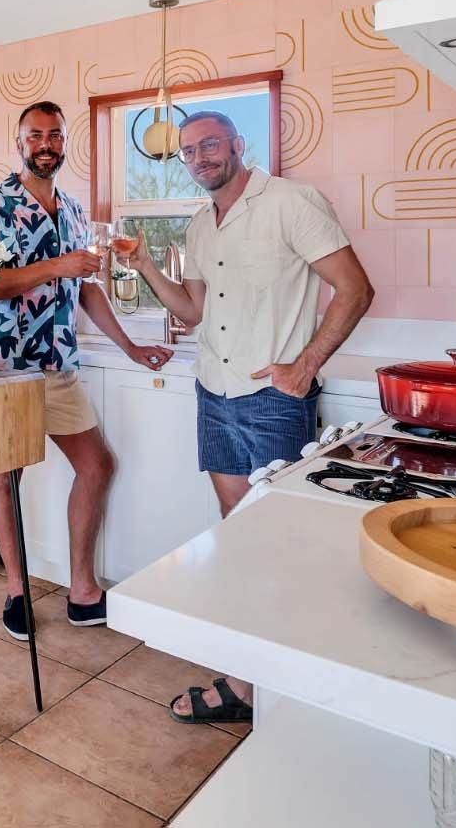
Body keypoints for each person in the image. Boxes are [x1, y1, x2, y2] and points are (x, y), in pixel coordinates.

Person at [124, 109, 375, 723]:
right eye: (188, 151)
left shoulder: (291, 202)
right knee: (239, 535)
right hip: (214, 391)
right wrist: (144, 265)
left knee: (280, 544)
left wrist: (306, 364)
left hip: (271, 399)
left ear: (238, 145)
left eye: (210, 144)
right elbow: (192, 312)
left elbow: (355, 288)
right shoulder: (199, 227)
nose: (200, 157)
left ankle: (270, 680)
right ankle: (253, 674)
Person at [0, 101, 175, 637]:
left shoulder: (77, 212)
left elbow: (85, 288)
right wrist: (58, 265)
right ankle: (16, 591)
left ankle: (82, 591)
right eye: (35, 135)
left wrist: (130, 346)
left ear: (64, 143)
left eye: (55, 135)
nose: (46, 144)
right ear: (19, 142)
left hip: (59, 363)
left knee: (97, 466)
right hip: (5, 365)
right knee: (5, 475)